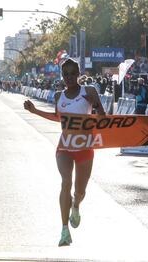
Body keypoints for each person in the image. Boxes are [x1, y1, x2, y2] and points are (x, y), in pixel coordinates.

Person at [24, 58, 105, 246]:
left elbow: (102, 119)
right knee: (65, 182)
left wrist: (95, 104)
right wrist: (35, 111)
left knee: (80, 191)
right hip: (65, 147)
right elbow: (57, 118)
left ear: (78, 74)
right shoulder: (59, 95)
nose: (68, 77)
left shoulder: (89, 91)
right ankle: (64, 231)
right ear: (62, 76)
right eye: (65, 74)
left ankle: (75, 206)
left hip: (84, 148)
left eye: (72, 73)